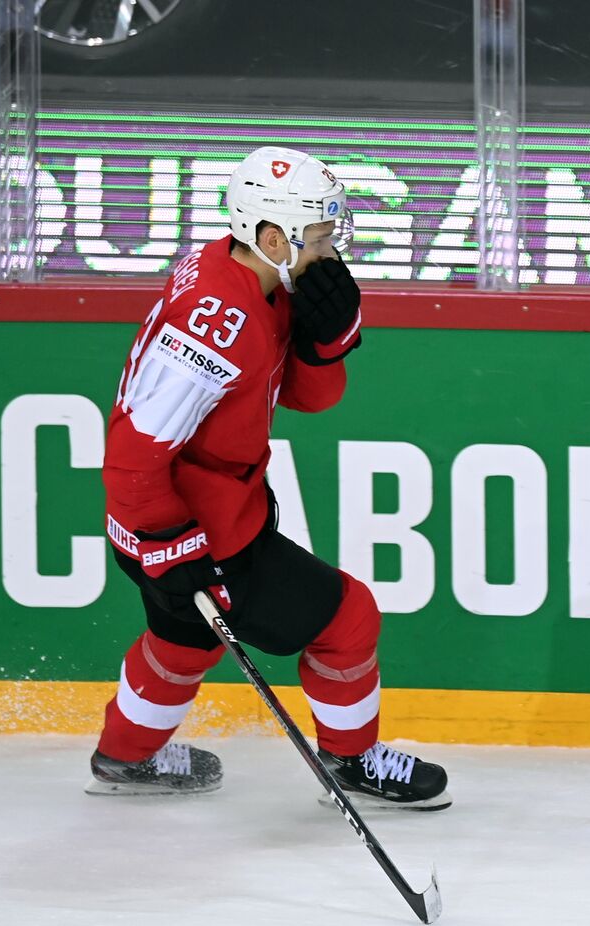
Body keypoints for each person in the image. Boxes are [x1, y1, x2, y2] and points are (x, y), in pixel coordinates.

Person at [85, 146, 450, 810]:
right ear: (273, 236)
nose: (330, 250)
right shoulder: (214, 325)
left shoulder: (251, 276)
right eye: (320, 237)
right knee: (347, 618)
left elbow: (307, 397)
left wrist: (325, 341)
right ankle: (352, 760)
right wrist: (172, 547)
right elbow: (133, 457)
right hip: (193, 526)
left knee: (182, 641)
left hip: (182, 515)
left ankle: (125, 755)